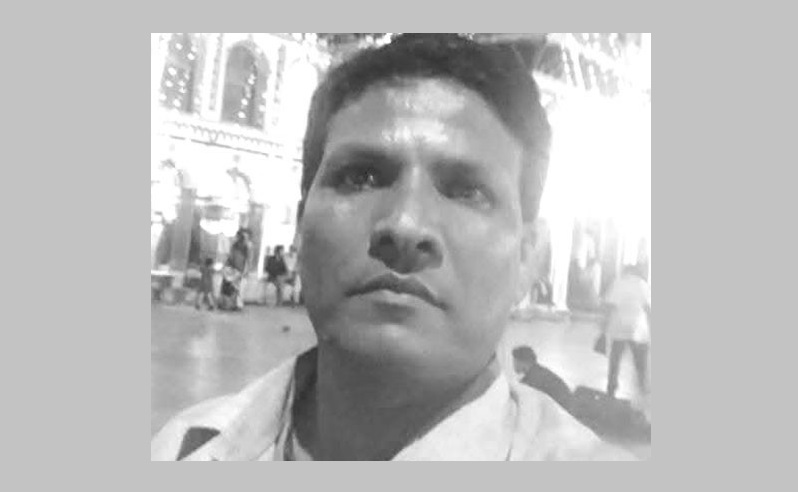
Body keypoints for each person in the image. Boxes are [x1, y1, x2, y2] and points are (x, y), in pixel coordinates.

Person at [152, 34, 633, 461]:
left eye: (466, 190)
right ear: (299, 227)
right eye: (361, 177)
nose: (405, 224)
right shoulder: (179, 450)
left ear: (529, 255)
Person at [601, 264, 652, 402]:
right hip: (638, 327)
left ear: (625, 272)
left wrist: (603, 327)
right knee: (640, 361)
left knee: (615, 359)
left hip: (619, 326)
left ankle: (611, 387)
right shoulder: (642, 284)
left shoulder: (618, 283)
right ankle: (642, 387)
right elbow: (648, 308)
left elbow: (609, 306)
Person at [512, 346, 572, 412]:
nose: (513, 364)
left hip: (562, 413)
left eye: (515, 361)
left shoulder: (535, 377)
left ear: (523, 362)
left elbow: (525, 400)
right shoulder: (538, 372)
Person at [219, 228, 252, 311]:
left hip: (235, 269)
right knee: (233, 287)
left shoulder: (242, 246)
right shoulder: (240, 246)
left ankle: (230, 305)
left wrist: (245, 270)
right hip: (235, 269)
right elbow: (245, 259)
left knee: (232, 287)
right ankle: (231, 304)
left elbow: (246, 259)